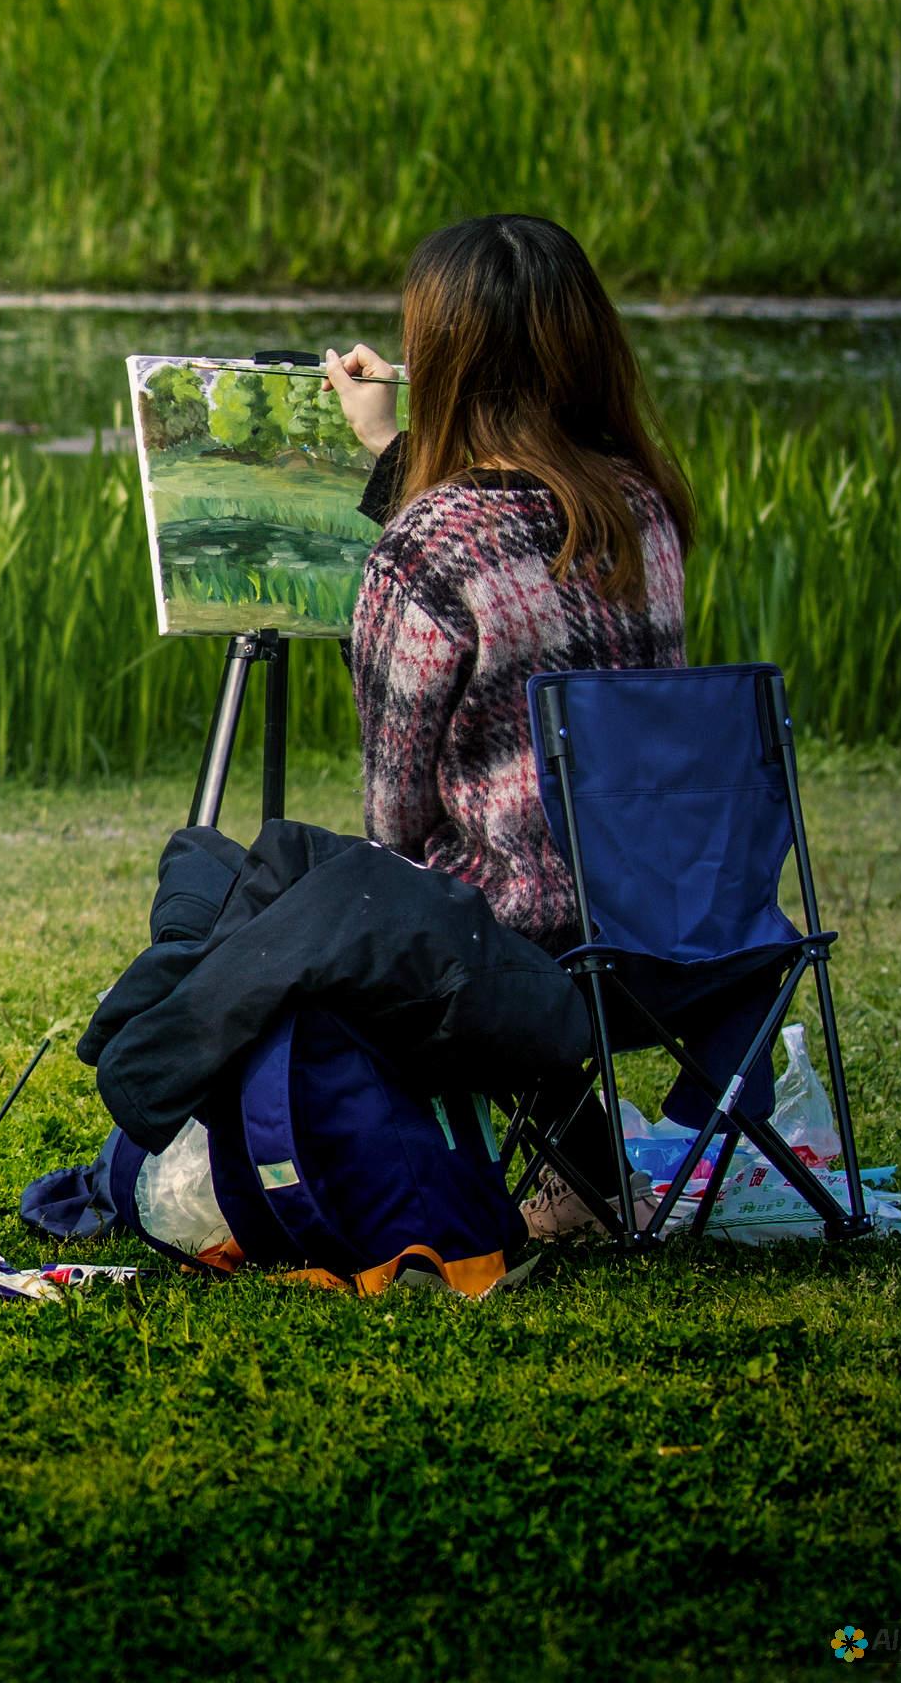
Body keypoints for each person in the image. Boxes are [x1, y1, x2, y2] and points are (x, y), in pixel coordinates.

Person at [323, 215, 693, 1229]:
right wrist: (388, 444)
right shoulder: (647, 512)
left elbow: (392, 822)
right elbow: (523, 528)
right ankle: (582, 1159)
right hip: (678, 936)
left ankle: (560, 1153)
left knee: (287, 894)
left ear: (439, 357)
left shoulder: (425, 550)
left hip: (515, 956)